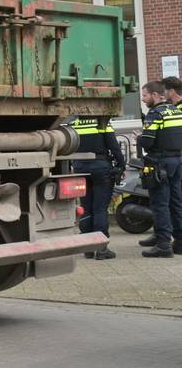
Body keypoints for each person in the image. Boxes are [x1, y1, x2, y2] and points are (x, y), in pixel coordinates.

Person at [137, 81, 182, 257]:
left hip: (160, 163)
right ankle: (179, 241)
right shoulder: (176, 111)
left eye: (145, 95)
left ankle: (163, 244)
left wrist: (139, 138)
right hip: (177, 161)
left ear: (156, 95)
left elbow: (147, 142)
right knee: (177, 202)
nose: (143, 98)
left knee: (160, 204)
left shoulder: (154, 114)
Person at [71, 115, 125, 258]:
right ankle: (101, 249)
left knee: (86, 208)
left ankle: (88, 249)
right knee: (100, 209)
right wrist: (121, 165)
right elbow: (114, 146)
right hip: (100, 168)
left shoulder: (74, 123)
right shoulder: (102, 123)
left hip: (80, 168)